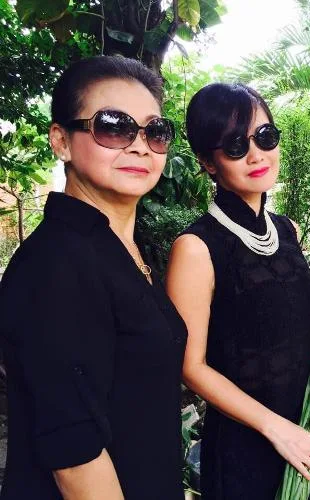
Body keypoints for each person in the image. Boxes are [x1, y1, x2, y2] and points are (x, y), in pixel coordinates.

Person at [0, 56, 186, 499]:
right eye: (114, 127)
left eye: (155, 131)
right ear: (61, 140)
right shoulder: (57, 263)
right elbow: (75, 458)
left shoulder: (118, 248)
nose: (140, 146)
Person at [166, 83, 310, 500]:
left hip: (306, 433)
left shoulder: (287, 230)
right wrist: (275, 428)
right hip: (247, 447)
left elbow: (277, 317)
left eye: (265, 137)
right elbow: (191, 367)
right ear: (207, 162)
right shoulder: (195, 248)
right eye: (235, 145)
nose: (256, 154)